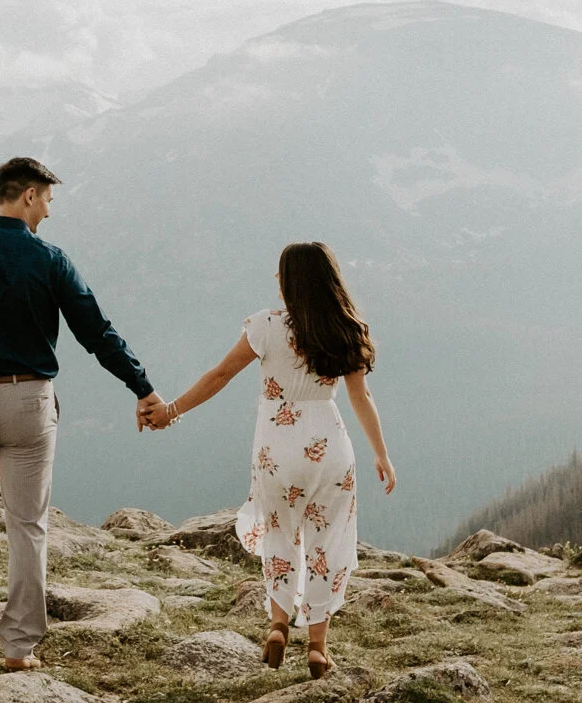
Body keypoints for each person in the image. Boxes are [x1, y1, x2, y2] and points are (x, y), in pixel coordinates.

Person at [0, 155, 163, 670]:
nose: (49, 210)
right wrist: (142, 387)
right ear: (28, 195)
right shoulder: (51, 259)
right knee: (28, 522)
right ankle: (18, 647)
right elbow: (96, 332)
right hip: (30, 400)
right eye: (48, 199)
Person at [142, 241, 396, 679]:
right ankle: (317, 646)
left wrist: (171, 411)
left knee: (280, 534)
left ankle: (279, 624)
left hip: (277, 446)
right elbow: (361, 395)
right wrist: (381, 453)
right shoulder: (346, 329)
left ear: (290, 282)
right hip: (329, 445)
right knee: (327, 543)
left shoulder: (264, 326)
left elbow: (219, 375)